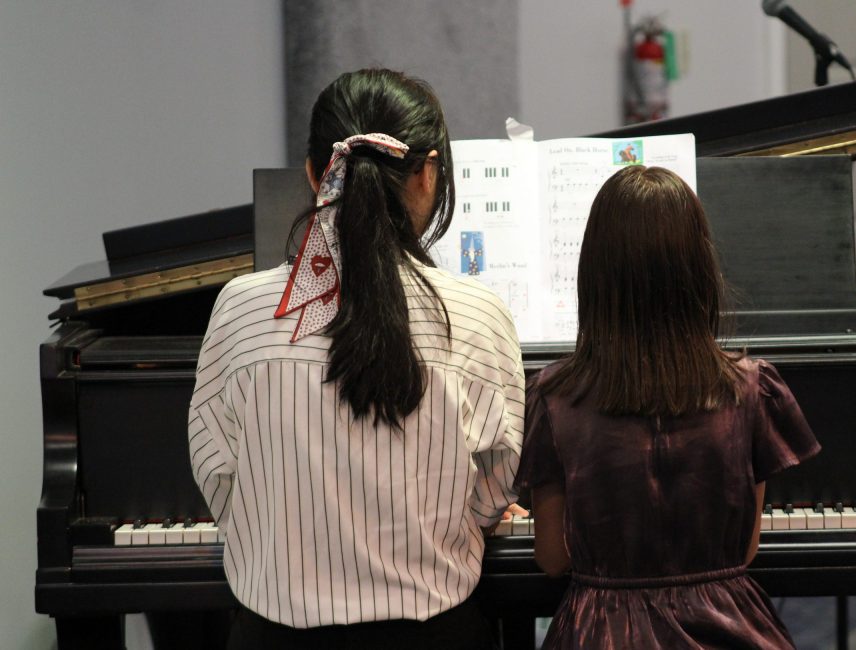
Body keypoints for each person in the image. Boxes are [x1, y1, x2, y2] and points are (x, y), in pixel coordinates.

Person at [188, 68, 524, 649]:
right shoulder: (478, 314)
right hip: (435, 636)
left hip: (276, 638)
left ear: (314, 173)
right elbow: (496, 484)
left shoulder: (240, 309)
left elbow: (218, 477)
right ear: (428, 174)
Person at [515, 165, 820, 649]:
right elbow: (745, 550)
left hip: (602, 632)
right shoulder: (749, 387)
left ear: (595, 273)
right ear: (698, 267)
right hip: (729, 629)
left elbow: (553, 557)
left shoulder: (554, 396)